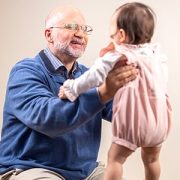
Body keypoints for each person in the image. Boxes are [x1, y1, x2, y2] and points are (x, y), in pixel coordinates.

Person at [0, 5, 138, 180]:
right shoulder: (25, 71)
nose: (80, 34)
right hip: (30, 168)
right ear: (48, 35)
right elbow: (48, 118)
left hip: (85, 172)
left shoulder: (89, 76)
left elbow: (121, 111)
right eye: (71, 27)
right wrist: (102, 93)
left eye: (84, 29)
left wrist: (142, 90)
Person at [59, 2, 172, 180]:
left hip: (135, 121)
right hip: (159, 120)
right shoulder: (158, 56)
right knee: (151, 159)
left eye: (112, 26)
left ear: (121, 34)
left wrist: (71, 88)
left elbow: (92, 78)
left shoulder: (118, 56)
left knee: (115, 159)